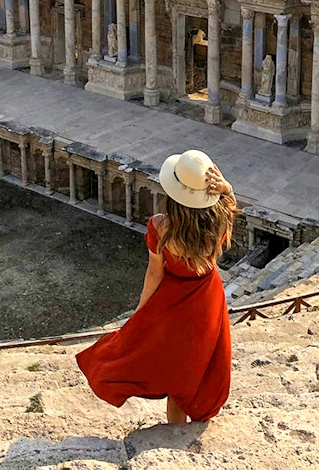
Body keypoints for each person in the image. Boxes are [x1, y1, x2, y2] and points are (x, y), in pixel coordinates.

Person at [76, 149, 236, 424]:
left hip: (172, 300)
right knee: (196, 365)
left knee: (172, 365)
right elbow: (230, 204)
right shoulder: (219, 219)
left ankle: (174, 430)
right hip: (206, 299)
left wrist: (141, 312)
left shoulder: (161, 225)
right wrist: (227, 189)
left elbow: (154, 272)